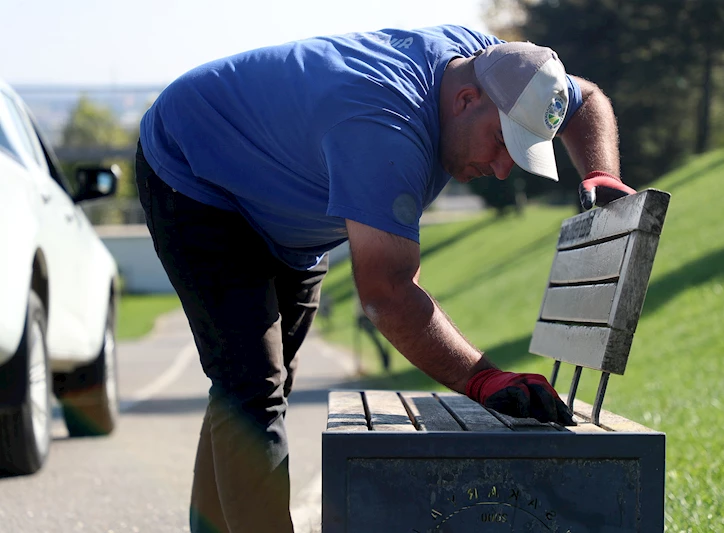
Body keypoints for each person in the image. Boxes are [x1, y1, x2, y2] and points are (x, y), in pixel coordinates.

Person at [134, 24, 635, 533]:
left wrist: (601, 172)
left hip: (285, 198)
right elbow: (387, 294)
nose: (504, 169)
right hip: (197, 171)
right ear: (465, 100)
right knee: (251, 386)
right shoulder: (384, 127)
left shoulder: (505, 69)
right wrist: (482, 378)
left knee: (255, 381)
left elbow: (585, 97)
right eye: (503, 142)